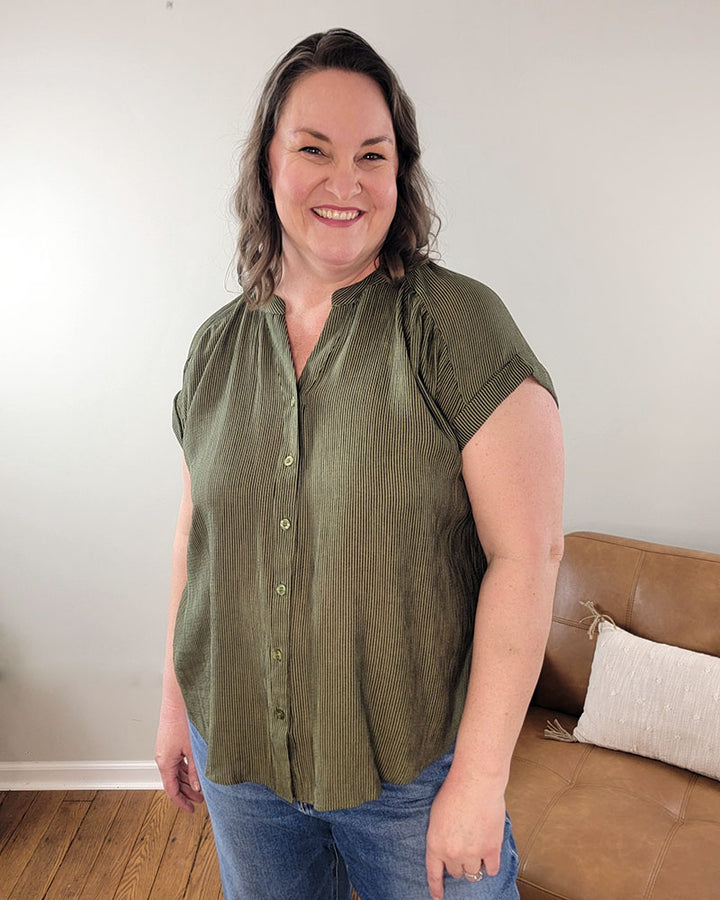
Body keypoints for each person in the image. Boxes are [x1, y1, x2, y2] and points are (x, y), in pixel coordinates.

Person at [155, 28, 564, 900]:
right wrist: (174, 708)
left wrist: (480, 781)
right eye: (314, 150)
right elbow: (202, 547)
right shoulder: (215, 348)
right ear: (268, 163)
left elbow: (528, 557)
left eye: (371, 156)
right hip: (244, 768)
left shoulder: (456, 326)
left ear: (399, 175)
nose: (345, 182)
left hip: (413, 783)